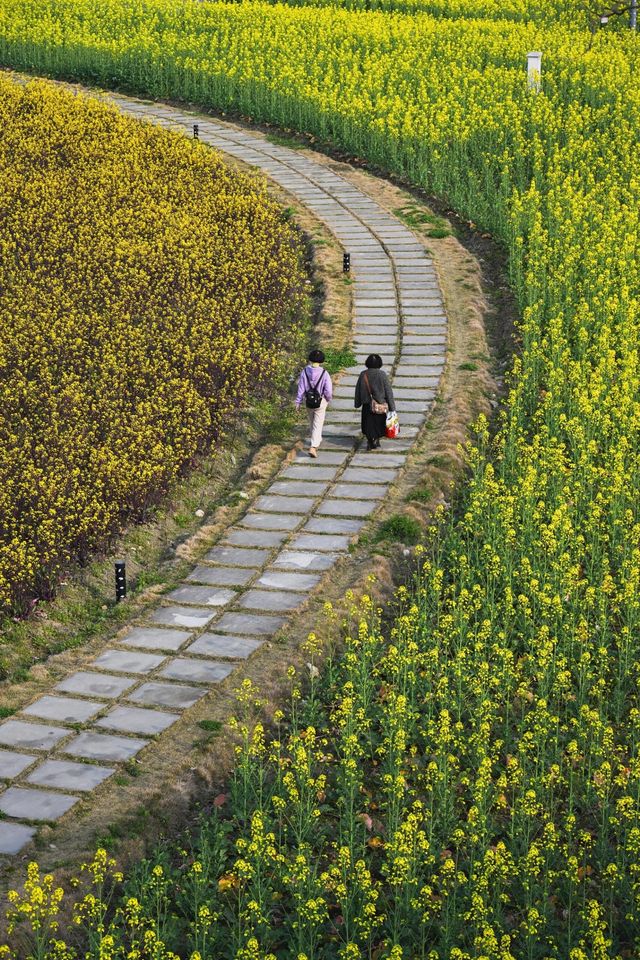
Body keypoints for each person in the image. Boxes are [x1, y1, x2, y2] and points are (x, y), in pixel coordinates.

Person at [295, 349, 333, 458]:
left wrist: (298, 401)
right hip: (320, 401)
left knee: (312, 421)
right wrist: (328, 399)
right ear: (321, 360)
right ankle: (313, 446)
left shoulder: (305, 371)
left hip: (308, 400)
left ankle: (315, 438)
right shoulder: (324, 373)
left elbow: (301, 388)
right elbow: (328, 390)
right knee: (318, 423)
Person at [354, 354, 396, 451]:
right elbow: (388, 391)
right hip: (380, 405)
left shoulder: (363, 374)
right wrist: (392, 407)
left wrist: (357, 403)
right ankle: (376, 439)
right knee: (379, 424)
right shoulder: (382, 374)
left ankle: (370, 440)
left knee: (367, 424)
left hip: (367, 405)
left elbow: (358, 390)